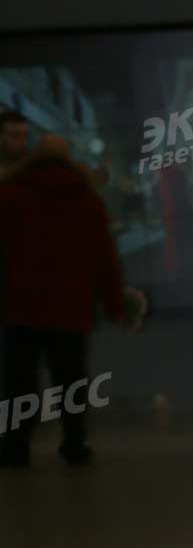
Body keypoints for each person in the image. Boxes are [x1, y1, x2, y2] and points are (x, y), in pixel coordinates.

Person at [0, 131, 129, 468]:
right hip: (71, 304)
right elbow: (103, 256)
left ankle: (15, 447)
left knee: (18, 381)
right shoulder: (87, 199)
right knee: (71, 379)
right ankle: (74, 443)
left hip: (21, 304)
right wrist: (113, 302)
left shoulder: (9, 194)